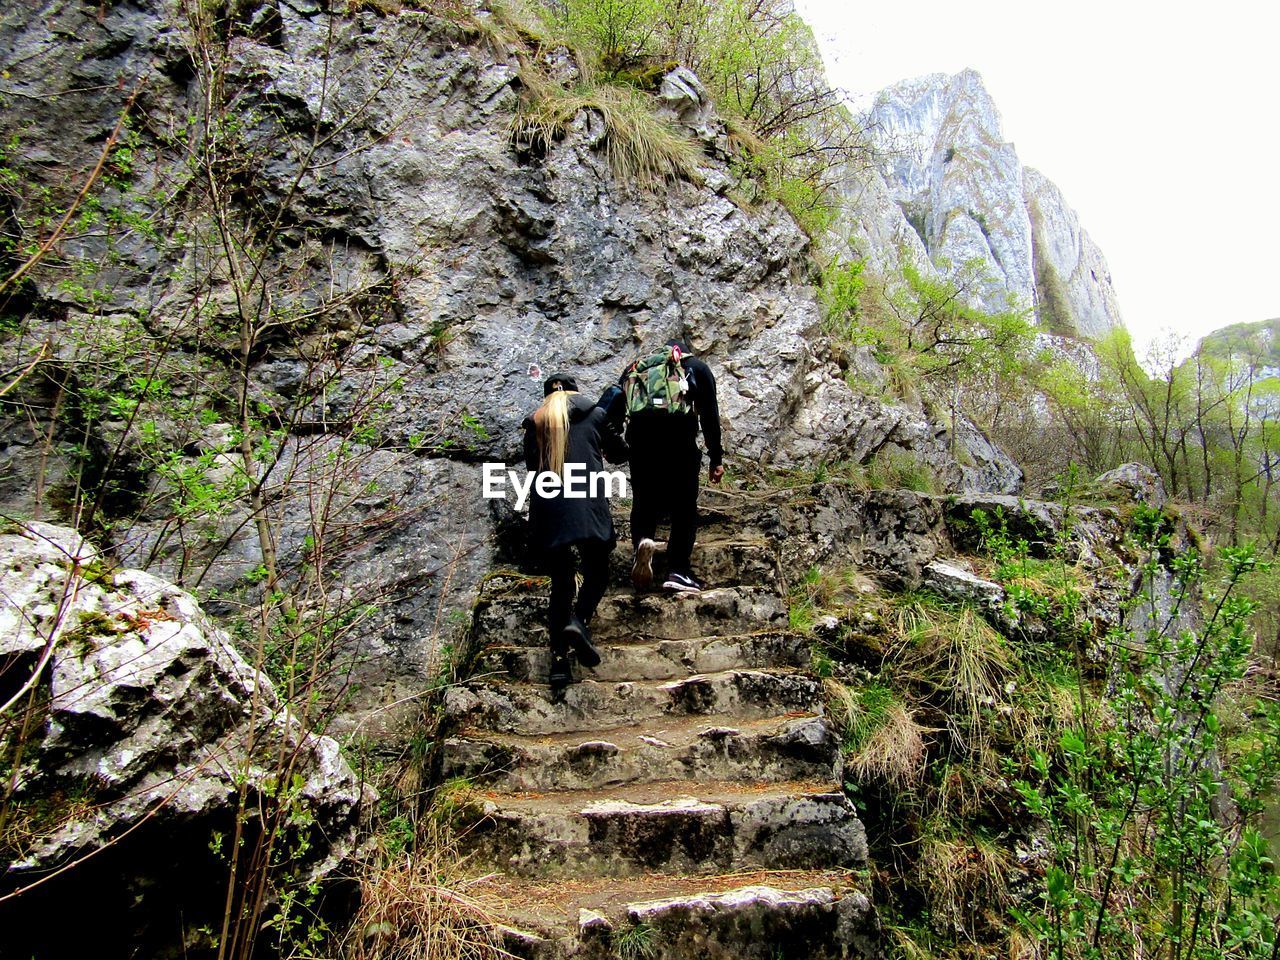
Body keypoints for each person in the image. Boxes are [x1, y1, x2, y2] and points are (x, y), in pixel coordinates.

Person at [521, 373, 625, 689]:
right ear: (576, 392)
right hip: (587, 506)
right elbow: (620, 453)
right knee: (598, 572)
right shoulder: (595, 413)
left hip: (550, 509)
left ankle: (558, 663)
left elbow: (529, 466)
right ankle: (579, 622)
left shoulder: (535, 422)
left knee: (562, 583)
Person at [619, 339, 723, 594]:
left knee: (644, 501)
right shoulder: (695, 367)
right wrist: (716, 458)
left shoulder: (636, 368)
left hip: (641, 445)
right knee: (684, 507)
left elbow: (618, 404)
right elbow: (710, 415)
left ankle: (643, 545)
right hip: (679, 443)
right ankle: (678, 570)